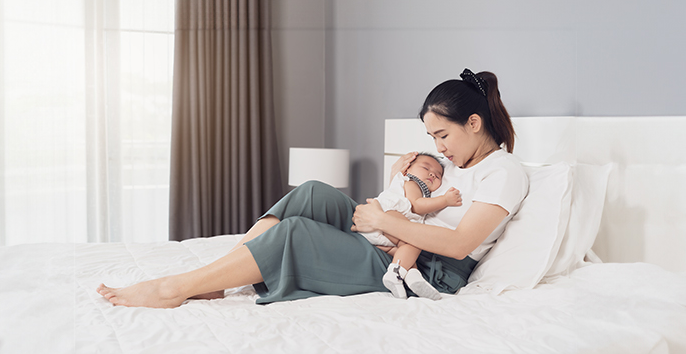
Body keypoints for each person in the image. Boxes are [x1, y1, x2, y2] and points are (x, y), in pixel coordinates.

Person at [97, 69, 529, 308]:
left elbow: (458, 244)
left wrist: (383, 221)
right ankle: (215, 277)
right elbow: (414, 203)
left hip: (428, 268)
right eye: (432, 138)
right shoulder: (451, 164)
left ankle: (176, 288)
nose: (438, 147)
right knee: (312, 192)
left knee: (296, 233)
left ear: (474, 123)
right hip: (399, 235)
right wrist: (397, 192)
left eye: (443, 136)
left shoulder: (503, 172)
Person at [360, 152, 463, 300]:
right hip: (387, 215)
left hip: (380, 233)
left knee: (403, 249)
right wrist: (445, 200)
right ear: (407, 169)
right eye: (426, 168)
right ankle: (395, 273)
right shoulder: (412, 182)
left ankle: (412, 276)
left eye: (438, 175)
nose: (432, 174)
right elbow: (416, 205)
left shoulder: (419, 187)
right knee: (417, 240)